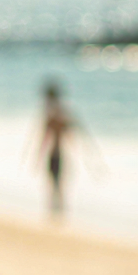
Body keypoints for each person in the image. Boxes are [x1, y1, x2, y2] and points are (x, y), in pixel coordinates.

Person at [35, 79, 84, 218]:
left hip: (55, 153)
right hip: (60, 152)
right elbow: (70, 132)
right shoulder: (61, 112)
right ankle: (59, 210)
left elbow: (45, 137)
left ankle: (56, 210)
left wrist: (38, 155)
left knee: (55, 181)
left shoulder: (53, 114)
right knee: (58, 181)